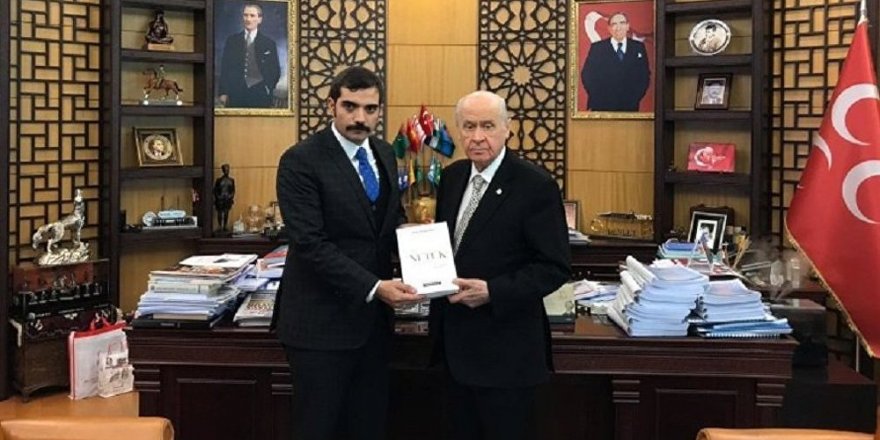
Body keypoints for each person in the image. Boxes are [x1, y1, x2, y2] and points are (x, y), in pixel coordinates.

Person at [274, 66, 422, 440]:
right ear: (332, 106)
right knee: (318, 429)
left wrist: (421, 249)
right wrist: (376, 287)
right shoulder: (301, 160)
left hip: (373, 327)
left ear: (379, 110)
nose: (360, 118)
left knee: (368, 426)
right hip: (320, 327)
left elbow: (387, 223)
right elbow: (310, 243)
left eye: (370, 109)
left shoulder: (384, 153)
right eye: (350, 106)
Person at [430, 90, 572, 440]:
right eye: (469, 126)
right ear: (458, 130)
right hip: (453, 351)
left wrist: (493, 291)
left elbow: (554, 266)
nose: (478, 137)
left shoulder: (534, 185)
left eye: (488, 126)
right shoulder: (452, 177)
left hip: (506, 355)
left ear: (508, 128)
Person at [580, 12, 651, 111]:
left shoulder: (638, 47)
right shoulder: (598, 48)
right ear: (609, 28)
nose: (618, 27)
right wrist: (599, 98)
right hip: (601, 106)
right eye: (614, 24)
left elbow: (644, 75)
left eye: (622, 23)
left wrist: (634, 98)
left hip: (629, 106)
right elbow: (587, 75)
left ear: (628, 26)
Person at [218, 3, 281, 108]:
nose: (248, 19)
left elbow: (275, 71)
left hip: (260, 94)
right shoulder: (232, 41)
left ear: (259, 19)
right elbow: (225, 69)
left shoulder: (269, 44)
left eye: (252, 16)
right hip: (235, 94)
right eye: (245, 15)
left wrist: (268, 88)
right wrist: (223, 92)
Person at [213, 163, 235, 232]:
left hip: (227, 199)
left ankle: (225, 226)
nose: (227, 171)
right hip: (220, 199)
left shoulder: (231, 180)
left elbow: (233, 190)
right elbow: (215, 190)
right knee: (219, 213)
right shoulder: (219, 180)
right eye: (225, 170)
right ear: (223, 171)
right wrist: (218, 197)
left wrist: (230, 196)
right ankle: (220, 226)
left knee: (226, 213)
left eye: (228, 170)